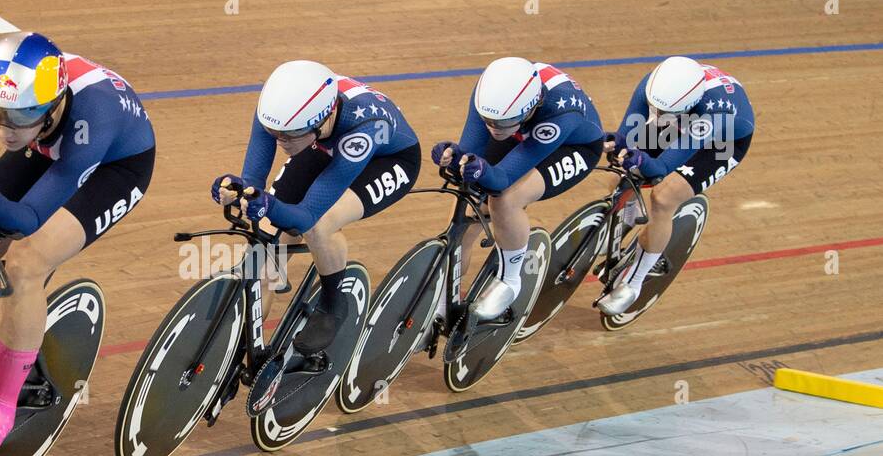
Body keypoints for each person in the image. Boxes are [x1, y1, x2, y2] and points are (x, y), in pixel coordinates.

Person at [0, 30, 155, 456]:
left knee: (26, 263)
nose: (2, 130)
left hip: (114, 166)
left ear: (52, 105)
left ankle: (4, 403)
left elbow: (29, 217)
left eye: (20, 116)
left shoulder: (93, 115)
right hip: (46, 147)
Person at [212, 60, 421, 352]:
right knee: (267, 240)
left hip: (387, 159)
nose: (281, 142)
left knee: (320, 226)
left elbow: (307, 215)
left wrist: (269, 204)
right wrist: (240, 190)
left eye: (289, 135)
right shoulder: (283, 112)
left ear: (324, 119)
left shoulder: (364, 128)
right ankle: (240, 348)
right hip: (323, 144)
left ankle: (334, 306)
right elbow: (253, 182)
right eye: (275, 134)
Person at [435, 57, 604, 318]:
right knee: (467, 204)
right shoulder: (490, 96)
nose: (492, 128)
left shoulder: (560, 113)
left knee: (505, 199)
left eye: (500, 122)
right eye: (487, 120)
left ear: (530, 108)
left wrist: (483, 170)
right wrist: (453, 156)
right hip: (521, 131)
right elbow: (471, 152)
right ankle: (443, 300)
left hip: (570, 146)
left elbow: (501, 179)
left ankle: (510, 282)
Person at [598, 56, 755, 314]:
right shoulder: (654, 85)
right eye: (654, 108)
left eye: (663, 112)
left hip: (722, 141)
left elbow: (661, 168)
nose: (655, 114)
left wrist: (642, 159)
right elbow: (628, 137)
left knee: (664, 197)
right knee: (619, 175)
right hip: (681, 120)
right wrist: (619, 143)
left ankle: (634, 283)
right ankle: (630, 216)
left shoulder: (714, 112)